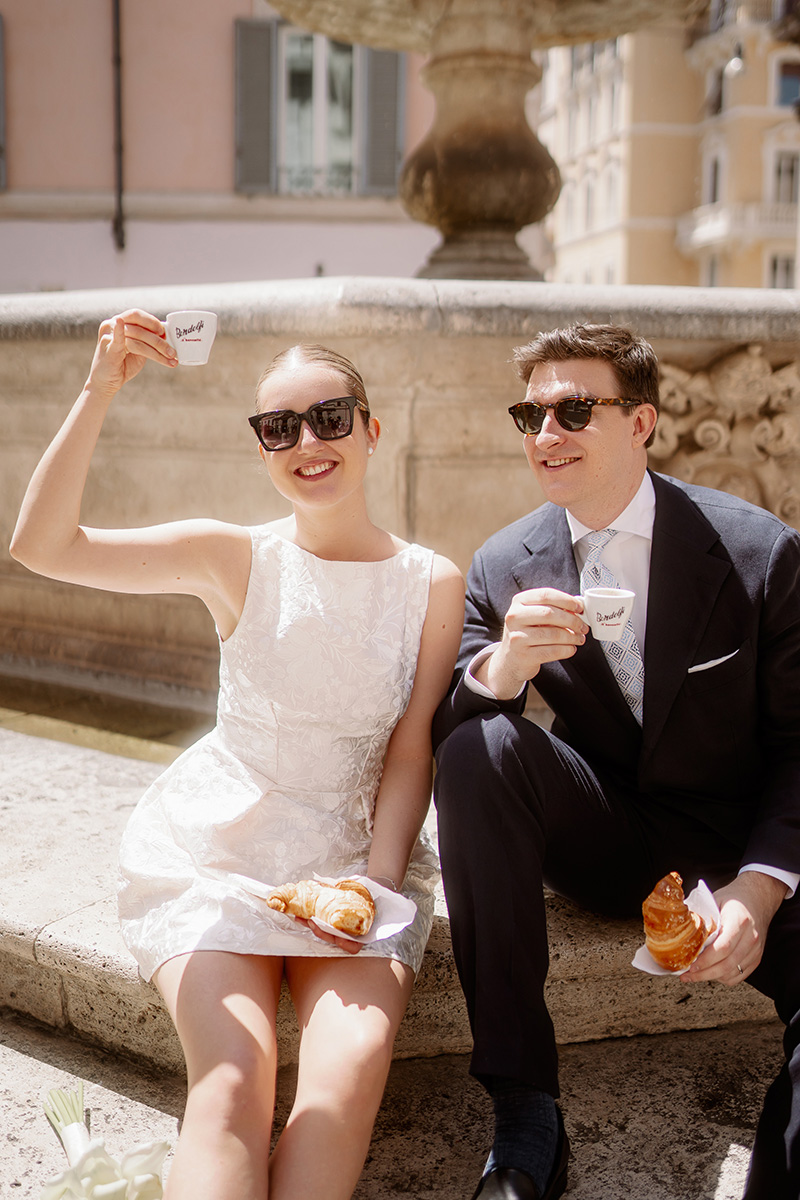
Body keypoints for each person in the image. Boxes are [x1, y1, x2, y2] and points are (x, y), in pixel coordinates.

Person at [10, 310, 464, 1200]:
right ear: (262, 447)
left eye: (331, 418)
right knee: (231, 1082)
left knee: (346, 1080)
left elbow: (412, 750)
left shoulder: (430, 580)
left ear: (371, 430)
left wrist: (373, 885)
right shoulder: (234, 556)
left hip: (354, 864)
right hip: (216, 856)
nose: (307, 441)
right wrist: (101, 384)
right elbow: (42, 547)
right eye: (279, 427)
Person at [432, 322, 800, 1200]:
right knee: (483, 743)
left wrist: (762, 884)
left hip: (747, 839)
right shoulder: (504, 561)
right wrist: (506, 666)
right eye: (531, 413)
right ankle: (525, 1111)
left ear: (642, 423)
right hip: (616, 834)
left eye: (573, 409)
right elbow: (452, 745)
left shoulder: (758, 550)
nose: (545, 433)